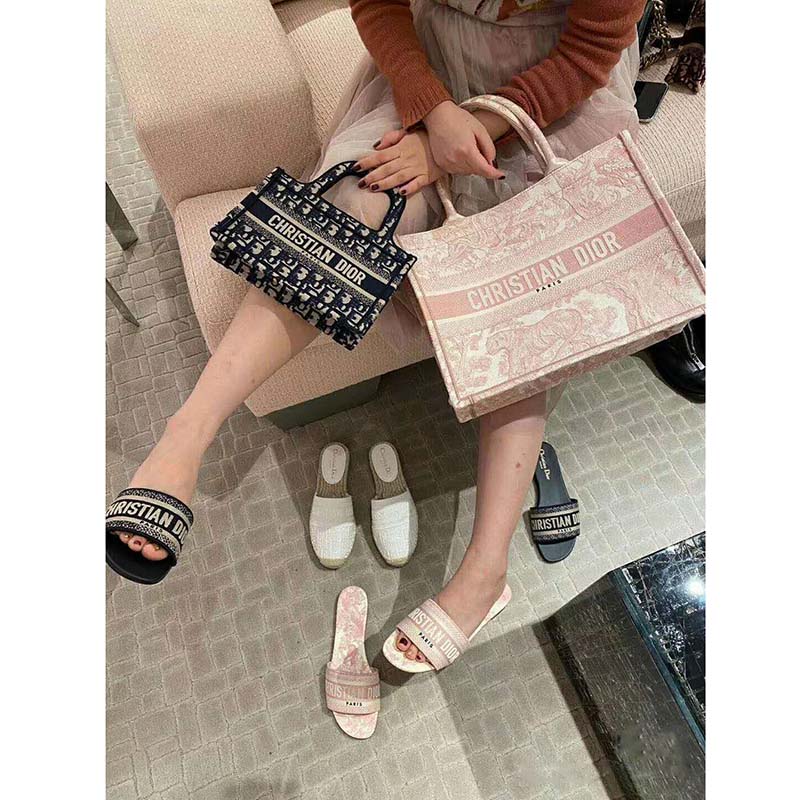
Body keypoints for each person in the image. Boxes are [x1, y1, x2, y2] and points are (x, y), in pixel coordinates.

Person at [108, 0, 643, 669]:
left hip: (550, 95)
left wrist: (466, 136)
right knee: (353, 209)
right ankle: (186, 434)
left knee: (521, 283)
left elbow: (589, 51)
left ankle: (486, 571)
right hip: (431, 69)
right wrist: (434, 116)